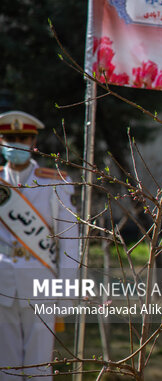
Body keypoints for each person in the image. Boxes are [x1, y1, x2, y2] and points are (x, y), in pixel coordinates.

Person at [0, 111, 78, 380]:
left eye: (22, 137)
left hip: (41, 280)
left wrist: (67, 293)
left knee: (38, 368)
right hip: (2, 284)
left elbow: (69, 240)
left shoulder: (54, 182)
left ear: (33, 140)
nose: (16, 143)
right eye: (9, 138)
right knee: (5, 367)